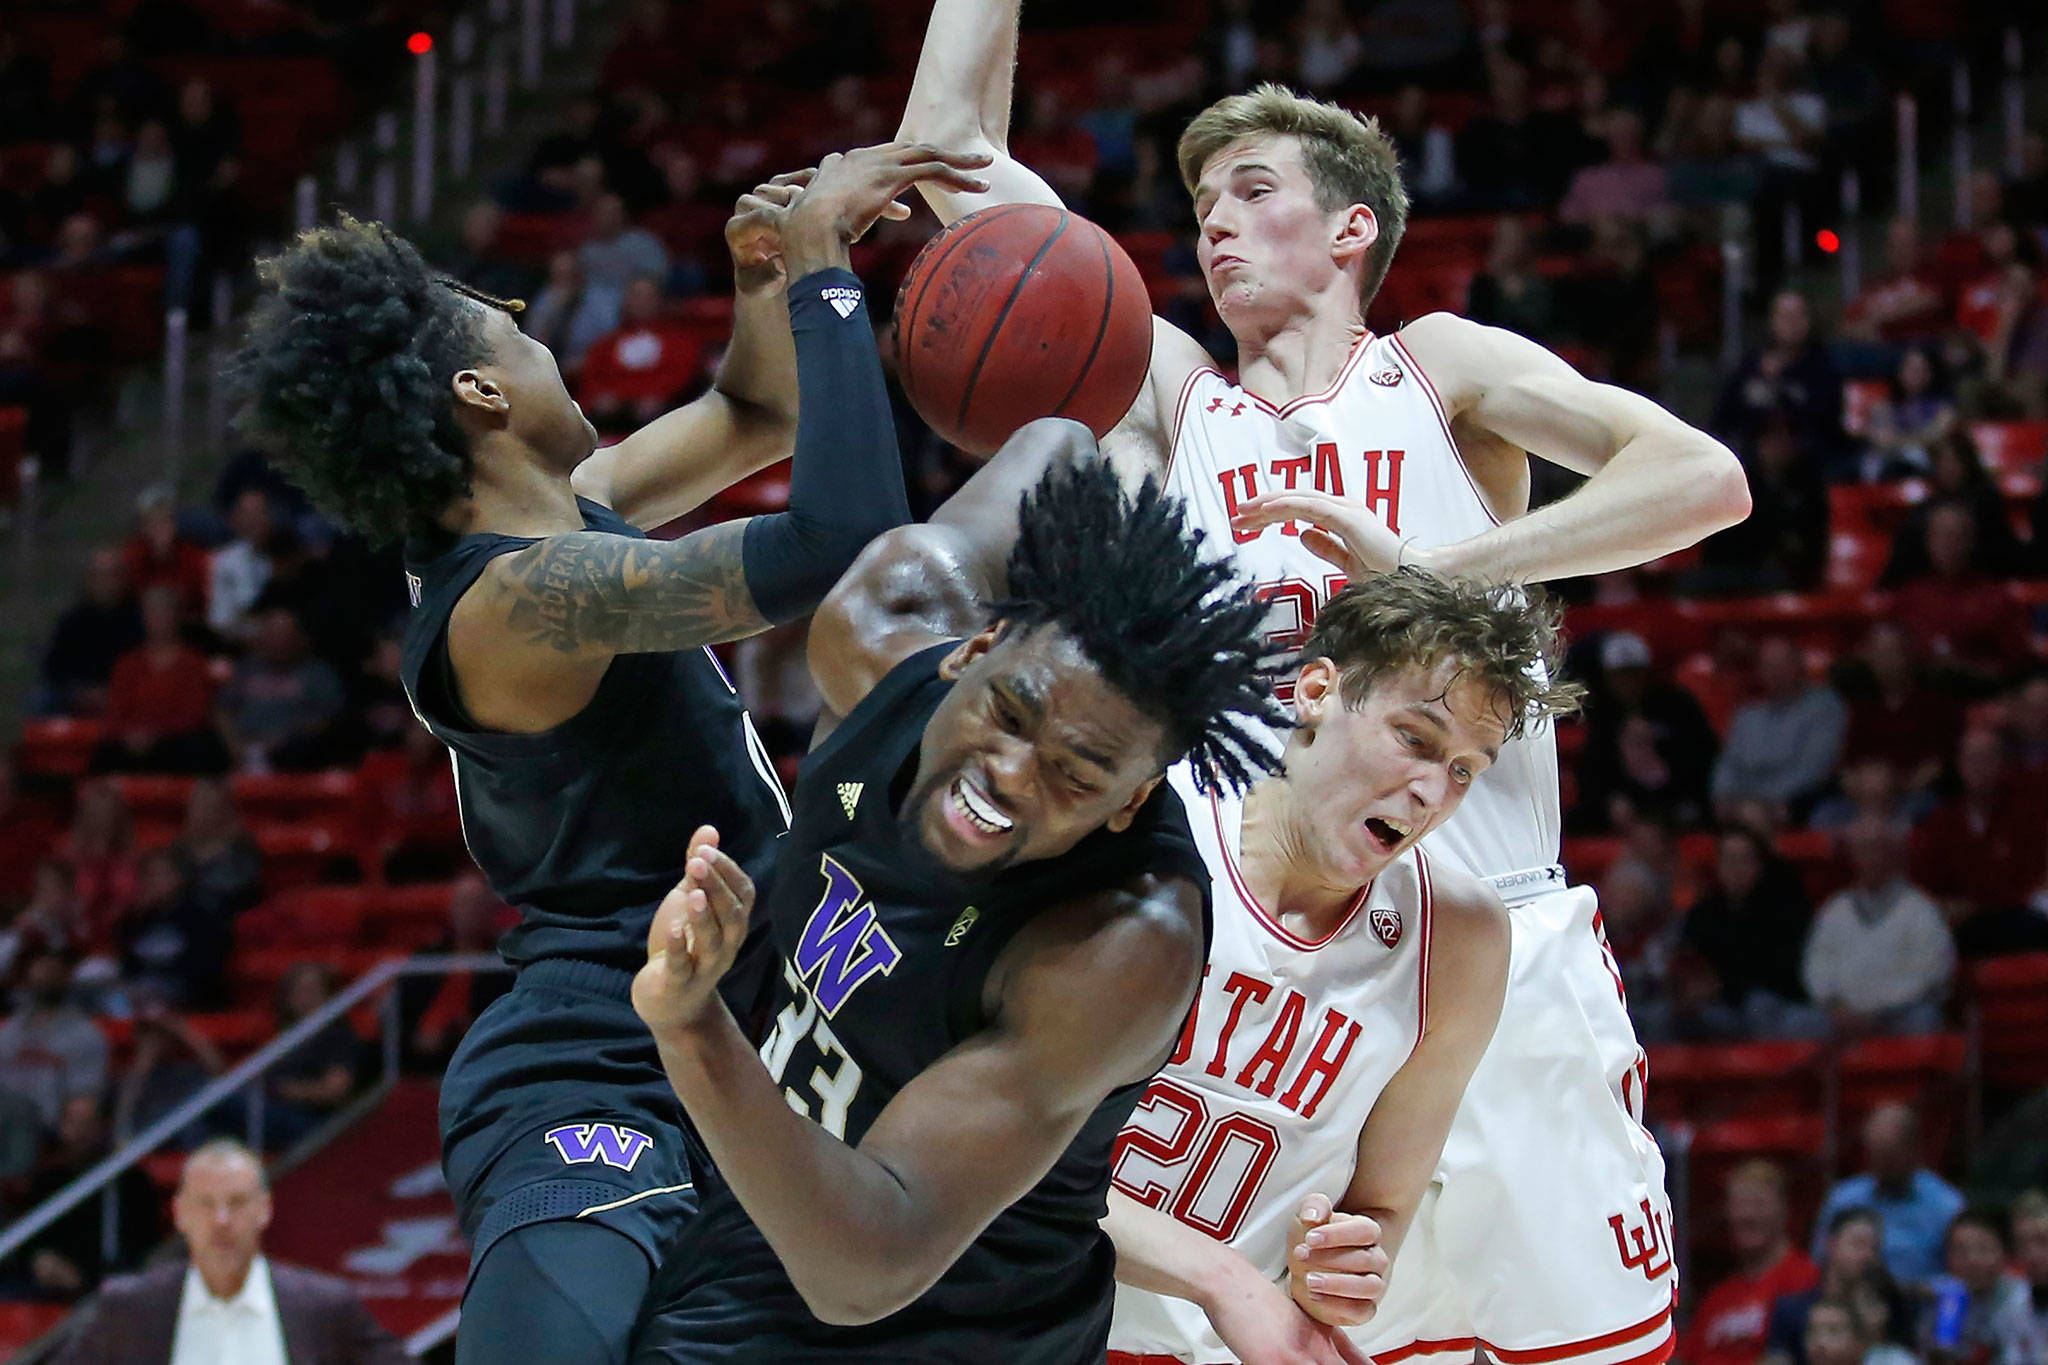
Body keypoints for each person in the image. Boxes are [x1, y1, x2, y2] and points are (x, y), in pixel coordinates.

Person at [897, 11, 1752, 1357]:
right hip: (1264, 974)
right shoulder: (1174, 393)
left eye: (1253, 192)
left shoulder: (1440, 369)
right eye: (1199, 205)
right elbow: (948, 151)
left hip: (1489, 943)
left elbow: (1704, 480)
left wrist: (1434, 569)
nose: (1214, 226)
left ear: (1352, 230)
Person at [233, 143, 987, 1363]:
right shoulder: (514, 604)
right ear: (480, 395)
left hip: (743, 1038)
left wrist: (755, 288)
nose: (545, 342)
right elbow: (844, 536)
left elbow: (755, 414)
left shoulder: (567, 512)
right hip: (596, 1065)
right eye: (516, 328)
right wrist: (821, 277)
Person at [627, 440, 1282, 1361]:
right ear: (971, 648)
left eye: (1075, 773)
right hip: (758, 1211)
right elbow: (1057, 436)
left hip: (955, 1320)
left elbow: (868, 1270)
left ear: (1129, 801)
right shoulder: (874, 621)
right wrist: (1125, 458)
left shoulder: (1119, 941)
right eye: (1010, 714)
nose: (1010, 776)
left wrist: (692, 1025)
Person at [1105, 574, 1575, 1362]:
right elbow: (988, 1161)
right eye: (1416, 739)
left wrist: (1345, 1266)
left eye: (1465, 768)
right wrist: (1227, 1279)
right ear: (1317, 690)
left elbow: (1383, 1204)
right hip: (1024, 1318)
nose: (1432, 790)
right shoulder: (1140, 823)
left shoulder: (1458, 940)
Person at [51, 1137, 411, 1364]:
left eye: (237, 1203)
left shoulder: (323, 1307)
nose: (221, 1220)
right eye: (206, 1204)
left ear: (264, 1209)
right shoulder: (131, 1308)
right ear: (180, 1213)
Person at [1803, 815, 1955, 1035]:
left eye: (1877, 849)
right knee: (1799, 1023)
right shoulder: (1836, 909)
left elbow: (1933, 974)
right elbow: (1816, 965)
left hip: (1899, 1014)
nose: (1870, 858)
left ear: (1894, 854)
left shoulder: (1919, 909)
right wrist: (1836, 1005)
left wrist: (1878, 1010)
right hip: (1842, 1016)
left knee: (1925, 1020)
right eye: (1862, 850)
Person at [1679, 1161, 1821, 1365]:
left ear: (1784, 1209)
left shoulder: (1804, 1279)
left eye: (1758, 1204)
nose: (1747, 1215)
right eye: (1739, 1205)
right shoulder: (1718, 1298)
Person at [1813, 1103, 1965, 1284]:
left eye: (1890, 1158)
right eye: (1876, 1156)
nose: (1882, 1168)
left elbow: (1961, 1278)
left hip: (1921, 1304)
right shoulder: (1843, 1199)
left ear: (1913, 1151)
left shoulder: (1946, 1205)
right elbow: (1820, 1263)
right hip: (1853, 1303)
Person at [1711, 637, 1847, 824]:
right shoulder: (1747, 716)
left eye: (1782, 665)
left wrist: (1760, 800)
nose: (1776, 673)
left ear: (1800, 666)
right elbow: (1728, 766)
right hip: (1745, 802)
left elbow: (1813, 769)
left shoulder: (1825, 706)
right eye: (1769, 667)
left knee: (1752, 816)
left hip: (1801, 800)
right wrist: (1723, 795)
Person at [1765, 1207, 1918, 1365]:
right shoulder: (1792, 1310)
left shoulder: (1883, 1313)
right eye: (1858, 1244)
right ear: (1831, 1244)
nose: (1868, 1255)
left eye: (1875, 1248)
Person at [0, 949, 110, 1128]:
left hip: (42, 1131)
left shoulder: (85, 1035)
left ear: (68, 976)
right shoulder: (8, 1031)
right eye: (40, 967)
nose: (46, 975)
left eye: (53, 969)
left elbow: (82, 1105)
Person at [1925, 1208, 2044, 1365]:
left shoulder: (2024, 1298)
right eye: (1961, 1251)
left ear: (2004, 1252)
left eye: (1983, 1249)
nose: (1972, 1260)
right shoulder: (1944, 1300)